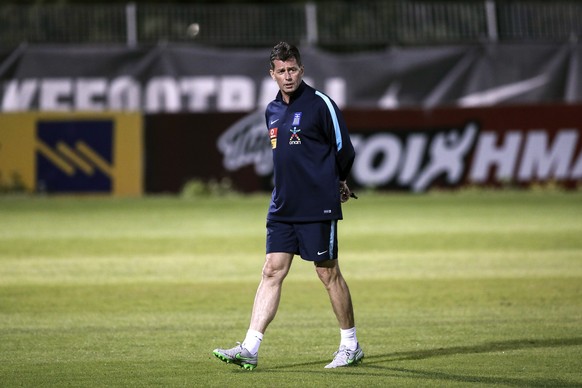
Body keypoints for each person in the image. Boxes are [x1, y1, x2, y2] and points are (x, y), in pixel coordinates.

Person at [212, 41, 363, 370]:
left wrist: (336, 180)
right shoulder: (272, 110)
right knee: (271, 271)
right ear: (273, 74)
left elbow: (344, 148)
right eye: (281, 71)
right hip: (282, 206)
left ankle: (350, 345)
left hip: (317, 206)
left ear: (301, 70)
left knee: (327, 272)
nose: (288, 76)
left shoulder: (321, 103)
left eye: (292, 69)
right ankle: (250, 347)